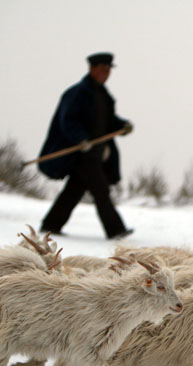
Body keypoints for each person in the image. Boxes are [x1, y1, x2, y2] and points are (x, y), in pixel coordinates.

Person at [38, 52, 134, 240]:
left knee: (74, 190)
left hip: (96, 153)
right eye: (102, 69)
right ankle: (116, 230)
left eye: (108, 70)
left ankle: (51, 225)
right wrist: (81, 139)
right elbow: (68, 121)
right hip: (81, 153)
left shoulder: (104, 96)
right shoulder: (77, 93)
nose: (106, 73)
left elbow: (109, 122)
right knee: (101, 190)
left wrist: (122, 125)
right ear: (92, 69)